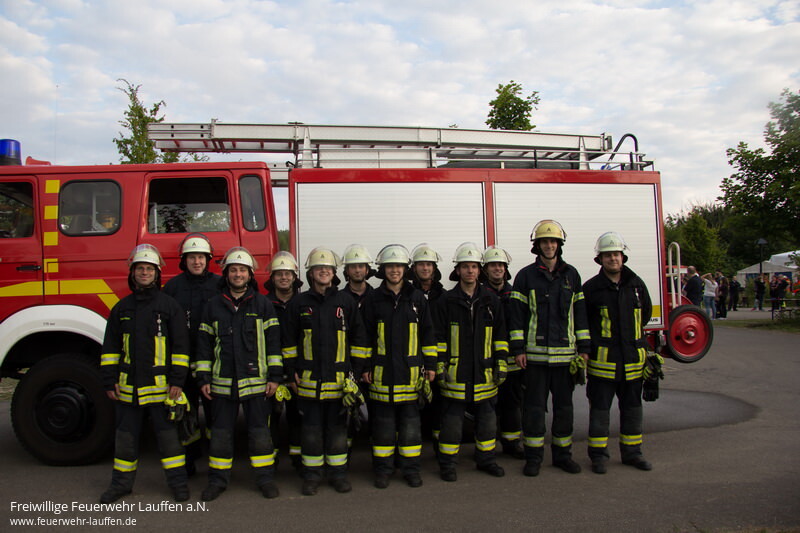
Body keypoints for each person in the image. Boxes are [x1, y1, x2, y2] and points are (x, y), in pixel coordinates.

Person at [99, 244, 191, 503]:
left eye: (149, 269)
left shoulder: (169, 306)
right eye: (140, 268)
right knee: (125, 440)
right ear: (132, 273)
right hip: (128, 389)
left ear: (157, 274)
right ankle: (120, 485)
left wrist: (177, 381)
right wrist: (109, 380)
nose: (144, 273)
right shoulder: (121, 309)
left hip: (162, 388)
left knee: (169, 440)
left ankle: (178, 484)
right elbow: (110, 349)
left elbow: (181, 348)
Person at [196, 247, 283, 501]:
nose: (237, 274)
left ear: (250, 275)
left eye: (242, 270)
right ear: (226, 274)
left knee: (260, 433)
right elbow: (204, 345)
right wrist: (203, 378)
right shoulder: (213, 306)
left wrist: (275, 377)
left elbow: (273, 344)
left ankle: (265, 479)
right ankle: (217, 481)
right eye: (233, 270)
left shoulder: (263, 305)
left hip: (256, 383)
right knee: (221, 435)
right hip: (222, 383)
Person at [281, 247, 369, 496]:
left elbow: (359, 341)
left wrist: (355, 375)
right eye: (318, 268)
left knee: (338, 431)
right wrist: (290, 371)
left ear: (334, 273)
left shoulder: (345, 302)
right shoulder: (299, 304)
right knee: (311, 432)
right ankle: (312, 476)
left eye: (328, 268)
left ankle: (338, 475)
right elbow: (288, 342)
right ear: (311, 273)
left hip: (339, 383)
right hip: (308, 383)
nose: (323, 272)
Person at [509, 220, 590, 476]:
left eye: (553, 241)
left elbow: (580, 314)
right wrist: (518, 349)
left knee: (564, 410)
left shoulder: (571, 275)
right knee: (533, 410)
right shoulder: (525, 276)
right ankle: (533, 458)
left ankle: (562, 457)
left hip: (565, 358)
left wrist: (584, 347)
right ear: (537, 245)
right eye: (544, 241)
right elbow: (517, 317)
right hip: (535, 358)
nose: (549, 245)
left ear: (559, 244)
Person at [360, 244, 437, 489]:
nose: (395, 270)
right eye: (390, 266)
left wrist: (431, 365)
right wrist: (364, 366)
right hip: (382, 376)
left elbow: (428, 334)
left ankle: (411, 470)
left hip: (411, 376)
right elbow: (364, 337)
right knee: (383, 429)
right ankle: (383, 470)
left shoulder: (417, 298)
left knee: (411, 429)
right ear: (383, 270)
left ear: (406, 269)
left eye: (399, 266)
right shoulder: (373, 299)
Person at [434, 242, 508, 482]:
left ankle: (486, 460)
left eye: (474, 267)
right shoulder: (446, 301)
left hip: (485, 372)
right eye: (465, 266)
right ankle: (448, 463)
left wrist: (501, 363)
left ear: (480, 270)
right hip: (455, 374)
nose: (470, 271)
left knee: (487, 421)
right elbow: (438, 338)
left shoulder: (491, 300)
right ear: (457, 270)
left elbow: (500, 336)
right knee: (452, 423)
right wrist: (440, 365)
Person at [583, 232, 653, 474]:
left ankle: (633, 453)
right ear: (600, 259)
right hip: (603, 365)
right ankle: (598, 456)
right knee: (600, 412)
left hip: (632, 363)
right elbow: (584, 323)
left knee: (632, 410)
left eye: (616, 254)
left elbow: (644, 316)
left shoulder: (637, 285)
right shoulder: (591, 289)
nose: (612, 258)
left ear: (623, 257)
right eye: (607, 255)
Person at [162, 233, 222, 475]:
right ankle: (189, 458)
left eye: (201, 257)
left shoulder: (219, 284)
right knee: (186, 414)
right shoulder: (173, 288)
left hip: (213, 362)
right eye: (192, 257)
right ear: (184, 260)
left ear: (208, 259)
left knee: (215, 413)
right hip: (184, 363)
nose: (197, 262)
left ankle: (215, 459)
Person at [263, 251, 304, 472]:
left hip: (296, 370)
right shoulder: (263, 304)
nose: (284, 277)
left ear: (294, 277)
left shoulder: (303, 302)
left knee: (297, 415)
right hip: (270, 371)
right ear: (272, 278)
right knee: (271, 416)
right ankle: (271, 458)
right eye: (279, 274)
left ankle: (297, 458)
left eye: (288, 273)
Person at [482, 245, 524, 460]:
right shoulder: (480, 295)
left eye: (500, 265)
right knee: (488, 406)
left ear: (506, 269)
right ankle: (487, 446)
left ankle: (511, 443)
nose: (497, 269)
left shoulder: (515, 294)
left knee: (512, 404)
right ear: (485, 270)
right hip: (487, 359)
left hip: (511, 360)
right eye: (493, 265)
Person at [341, 244, 376, 309]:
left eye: (361, 266)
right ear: (347, 271)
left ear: (367, 270)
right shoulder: (339, 298)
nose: (357, 270)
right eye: (353, 266)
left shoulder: (377, 297)